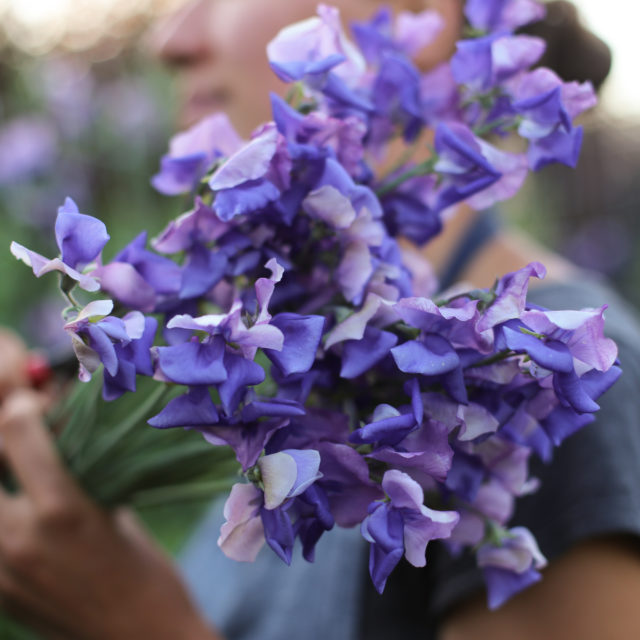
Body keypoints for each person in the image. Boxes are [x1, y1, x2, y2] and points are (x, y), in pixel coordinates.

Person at [2, 1, 640, 639]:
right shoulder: (305, 375)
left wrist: (133, 621)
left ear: (415, 13)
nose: (171, 39)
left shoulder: (535, 383)